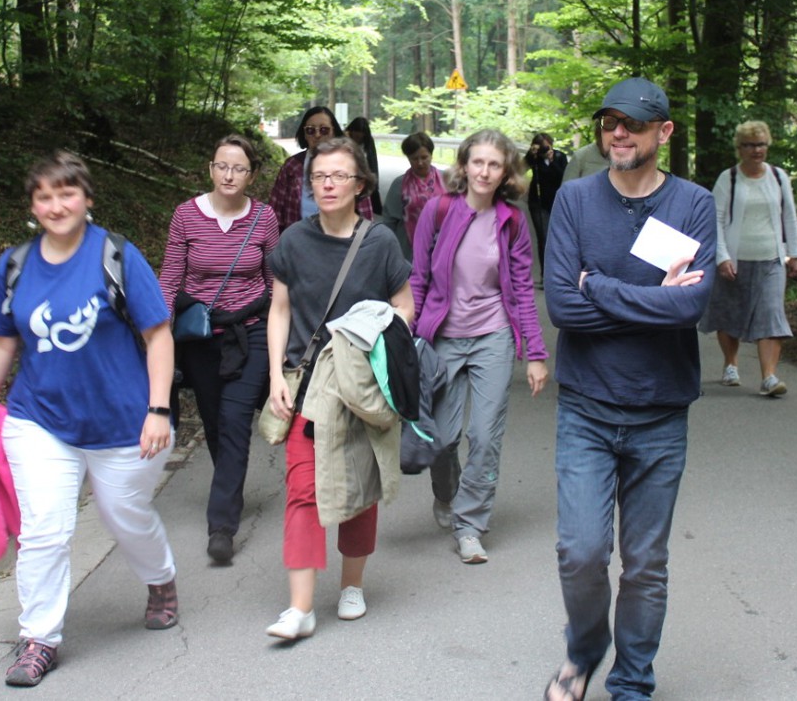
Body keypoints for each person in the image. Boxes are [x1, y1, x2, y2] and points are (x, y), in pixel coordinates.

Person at [0, 151, 178, 687]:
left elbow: (158, 335)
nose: (56, 205)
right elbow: (1, 340)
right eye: (44, 196)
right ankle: (39, 639)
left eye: (66, 193)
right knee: (45, 529)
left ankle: (160, 578)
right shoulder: (15, 265)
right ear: (32, 205)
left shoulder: (116, 256)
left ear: (87, 199)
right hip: (39, 418)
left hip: (123, 420)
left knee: (124, 514)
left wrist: (158, 409)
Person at [542, 77, 716, 701]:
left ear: (662, 132)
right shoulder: (574, 199)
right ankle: (585, 650)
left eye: (633, 124)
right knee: (581, 552)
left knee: (645, 563)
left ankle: (633, 681)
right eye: (609, 121)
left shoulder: (693, 203)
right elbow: (562, 307)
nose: (618, 132)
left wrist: (598, 286)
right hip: (586, 406)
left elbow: (689, 307)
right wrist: (651, 303)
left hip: (661, 409)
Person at [263, 137, 413, 641]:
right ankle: (300, 608)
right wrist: (274, 375)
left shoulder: (380, 243)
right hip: (306, 387)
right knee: (302, 493)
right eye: (319, 176)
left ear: (360, 185)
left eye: (339, 176)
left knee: (359, 491)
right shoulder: (293, 241)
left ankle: (352, 584)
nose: (327, 184)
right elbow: (279, 309)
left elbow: (405, 306)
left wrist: (373, 337)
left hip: (360, 389)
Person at [410, 129, 549, 565]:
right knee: (443, 438)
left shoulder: (512, 221)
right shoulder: (437, 210)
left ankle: (470, 525)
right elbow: (417, 278)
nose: (485, 172)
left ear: (506, 172)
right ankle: (446, 492)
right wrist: (408, 336)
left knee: (485, 436)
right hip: (444, 336)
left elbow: (523, 290)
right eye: (478, 162)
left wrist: (536, 354)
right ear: (464, 166)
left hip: (493, 336)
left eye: (494, 164)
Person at [159, 135, 280, 564]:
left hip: (251, 331)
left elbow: (274, 280)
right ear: (211, 169)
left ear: (252, 175)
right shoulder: (186, 216)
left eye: (239, 168)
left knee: (233, 420)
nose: (229, 175)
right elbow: (170, 278)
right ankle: (230, 489)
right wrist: (160, 337)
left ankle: (222, 527)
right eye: (222, 166)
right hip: (201, 336)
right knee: (214, 422)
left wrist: (281, 333)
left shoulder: (264, 217)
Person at [699, 120, 797, 396]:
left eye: (761, 145)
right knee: (729, 313)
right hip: (735, 259)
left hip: (771, 259)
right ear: (739, 148)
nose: (756, 150)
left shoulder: (778, 177)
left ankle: (769, 377)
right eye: (750, 145)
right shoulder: (729, 178)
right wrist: (721, 257)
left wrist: (794, 254)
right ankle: (731, 364)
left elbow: (789, 216)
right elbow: (715, 219)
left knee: (771, 313)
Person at [269, 106, 373, 231]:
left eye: (324, 130)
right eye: (310, 130)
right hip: (299, 237)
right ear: (304, 134)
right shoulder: (293, 165)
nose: (317, 135)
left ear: (334, 132)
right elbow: (276, 210)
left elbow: (364, 212)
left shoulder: (350, 163)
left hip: (342, 239)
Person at [382, 131, 446, 261]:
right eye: (414, 158)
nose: (420, 163)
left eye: (424, 157)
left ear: (431, 155)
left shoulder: (447, 180)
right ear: (408, 158)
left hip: (443, 247)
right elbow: (389, 221)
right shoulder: (399, 184)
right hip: (408, 251)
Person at [525, 132, 568, 276]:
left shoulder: (560, 157)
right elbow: (520, 169)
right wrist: (531, 154)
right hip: (538, 203)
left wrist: (552, 161)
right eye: (541, 147)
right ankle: (545, 274)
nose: (544, 150)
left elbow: (564, 177)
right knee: (543, 237)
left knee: (558, 238)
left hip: (557, 203)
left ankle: (557, 272)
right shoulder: (534, 157)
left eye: (546, 146)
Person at [345, 116, 382, 214]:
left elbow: (372, 163)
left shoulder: (368, 143)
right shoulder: (344, 140)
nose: (358, 135)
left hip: (363, 180)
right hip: (347, 180)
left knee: (363, 209)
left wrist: (373, 183)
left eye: (361, 133)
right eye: (356, 132)